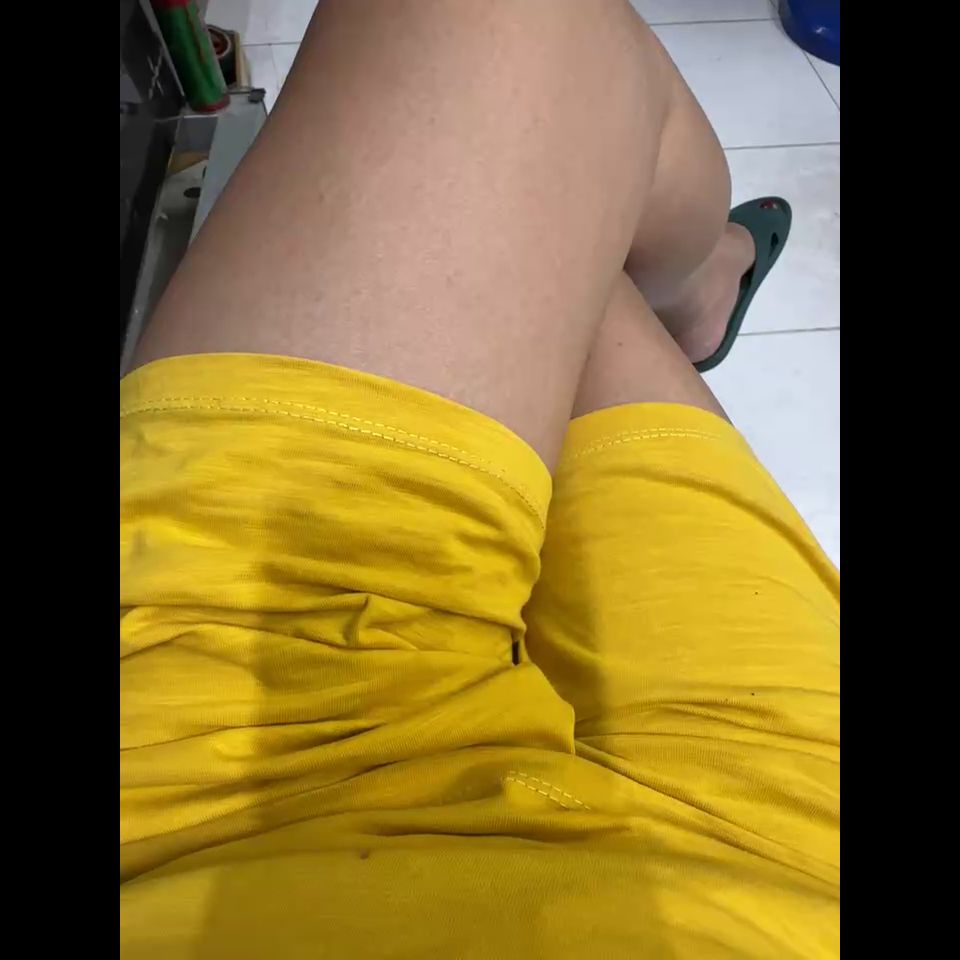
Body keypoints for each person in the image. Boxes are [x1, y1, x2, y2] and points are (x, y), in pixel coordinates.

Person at [119, 1, 840, 956]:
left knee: (525, 107)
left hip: (222, 821)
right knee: (549, 160)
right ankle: (697, 286)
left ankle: (687, 279)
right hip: (763, 890)